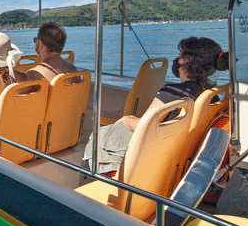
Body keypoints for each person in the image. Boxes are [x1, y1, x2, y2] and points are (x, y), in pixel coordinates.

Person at [84, 36, 229, 175]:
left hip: (154, 153)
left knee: (100, 135)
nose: (177, 60)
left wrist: (127, 119)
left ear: (185, 61)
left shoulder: (172, 93)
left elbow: (143, 127)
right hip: (175, 155)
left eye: (180, 56)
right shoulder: (211, 96)